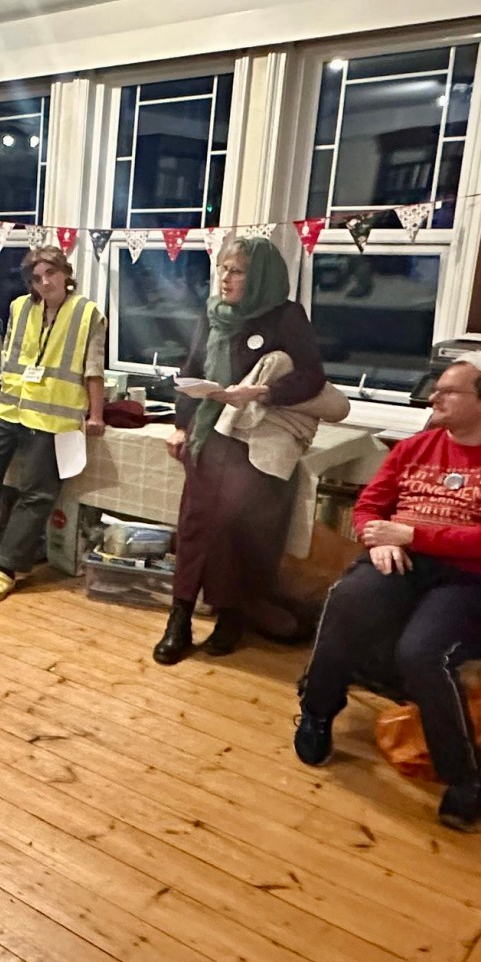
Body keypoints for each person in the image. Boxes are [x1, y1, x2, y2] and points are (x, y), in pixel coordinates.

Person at [293, 354, 481, 833]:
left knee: (421, 652)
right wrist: (375, 539)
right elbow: (370, 505)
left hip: (477, 578)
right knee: (345, 603)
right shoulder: (416, 447)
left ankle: (466, 775)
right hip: (400, 559)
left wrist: (411, 536)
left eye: (449, 391)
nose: (433, 396)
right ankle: (315, 713)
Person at [153, 237, 329, 664]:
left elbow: (312, 377)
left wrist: (265, 391)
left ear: (261, 277)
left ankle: (231, 616)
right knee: (194, 528)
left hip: (253, 442)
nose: (225, 279)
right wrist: (181, 426)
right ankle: (179, 618)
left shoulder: (286, 316)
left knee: (236, 531)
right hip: (208, 436)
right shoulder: (214, 315)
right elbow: (191, 372)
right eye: (223, 270)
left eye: (236, 271)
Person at [0, 247, 106, 603]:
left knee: (37, 491)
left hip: (53, 416)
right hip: (10, 409)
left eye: (50, 273)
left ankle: (7, 567)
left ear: (65, 273)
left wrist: (96, 415)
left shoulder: (88, 314)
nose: (44, 282)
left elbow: (93, 370)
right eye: (36, 277)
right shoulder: (19, 308)